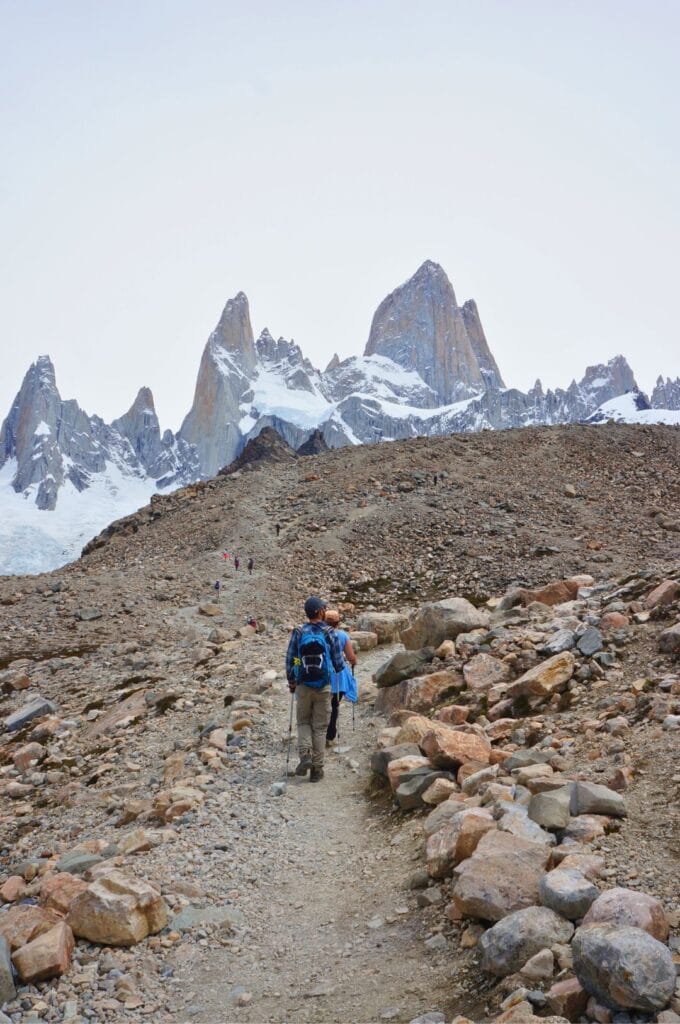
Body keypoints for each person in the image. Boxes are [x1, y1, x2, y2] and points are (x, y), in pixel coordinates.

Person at [286, 596, 344, 782]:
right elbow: (338, 663)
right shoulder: (329, 632)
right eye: (324, 608)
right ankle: (317, 771)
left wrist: (293, 679)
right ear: (320, 611)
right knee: (320, 727)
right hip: (323, 685)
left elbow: (292, 658)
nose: (325, 610)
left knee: (303, 722)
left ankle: (305, 756)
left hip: (303, 684)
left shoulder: (298, 631)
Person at [324, 608, 357, 746]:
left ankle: (318, 734)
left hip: (323, 673)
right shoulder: (343, 635)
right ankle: (330, 736)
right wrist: (354, 662)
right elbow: (350, 657)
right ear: (338, 622)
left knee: (321, 705)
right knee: (335, 705)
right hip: (339, 675)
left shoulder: (319, 634)